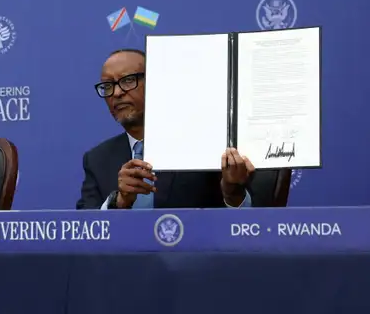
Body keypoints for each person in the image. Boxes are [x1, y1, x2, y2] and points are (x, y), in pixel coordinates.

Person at [76, 48, 255, 209]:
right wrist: (120, 202)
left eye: (128, 80)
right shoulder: (97, 159)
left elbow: (244, 226)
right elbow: (85, 230)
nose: (116, 93)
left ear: (156, 83)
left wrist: (232, 192)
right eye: (108, 86)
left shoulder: (204, 143)